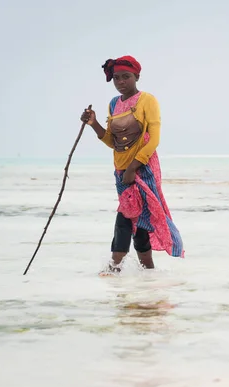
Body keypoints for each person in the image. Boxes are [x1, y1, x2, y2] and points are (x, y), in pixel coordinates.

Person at [80, 55, 184, 275]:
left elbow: (154, 139)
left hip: (143, 169)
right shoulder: (113, 104)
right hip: (121, 171)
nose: (121, 82)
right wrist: (94, 123)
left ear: (137, 76)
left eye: (126, 77)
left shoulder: (147, 100)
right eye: (116, 78)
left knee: (126, 215)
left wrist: (133, 167)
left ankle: (114, 267)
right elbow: (113, 142)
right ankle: (148, 273)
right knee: (139, 220)